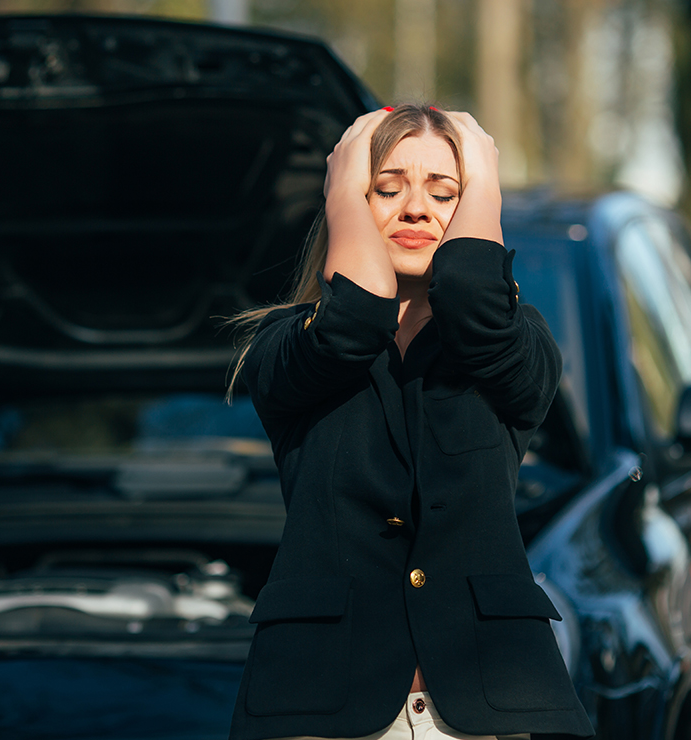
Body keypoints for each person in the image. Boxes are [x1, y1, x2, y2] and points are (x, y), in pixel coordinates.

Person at [226, 104, 594, 740]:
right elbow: (354, 319)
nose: (417, 210)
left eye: (446, 193)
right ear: (347, 207)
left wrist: (484, 175)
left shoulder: (515, 343)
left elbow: (473, 301)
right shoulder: (284, 346)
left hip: (491, 707)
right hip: (320, 711)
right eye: (387, 189)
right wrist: (343, 182)